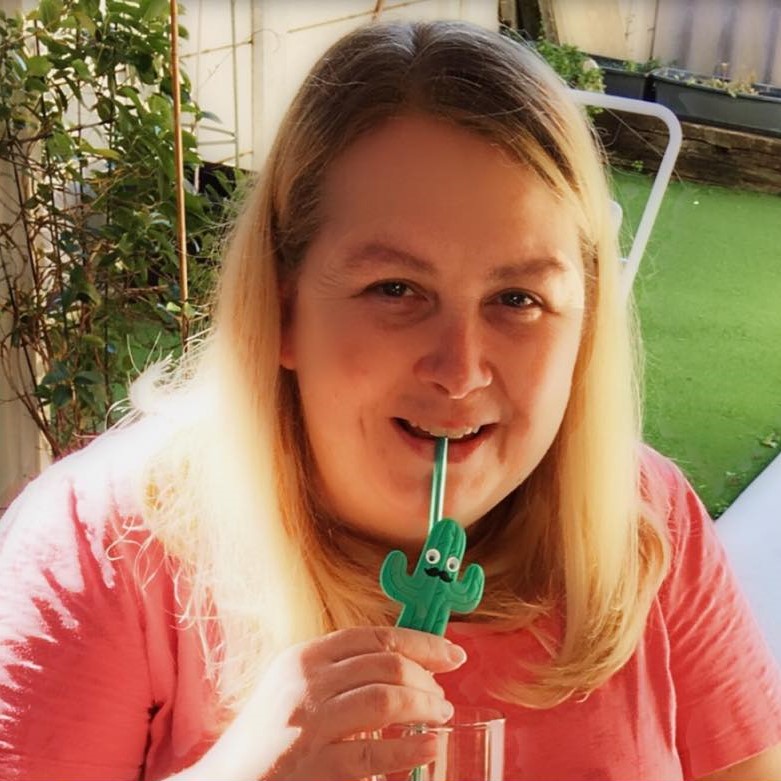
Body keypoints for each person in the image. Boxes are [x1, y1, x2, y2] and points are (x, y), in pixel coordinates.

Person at [1, 19, 780, 781]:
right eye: (395, 288)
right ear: (282, 309)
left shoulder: (643, 525)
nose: (459, 369)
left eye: (516, 297)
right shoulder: (97, 553)